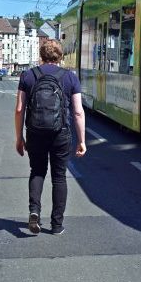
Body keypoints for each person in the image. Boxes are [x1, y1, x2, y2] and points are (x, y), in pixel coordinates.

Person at [15, 39, 86, 235]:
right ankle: (56, 225)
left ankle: (34, 211)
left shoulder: (28, 76)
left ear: (41, 55)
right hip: (61, 133)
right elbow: (78, 112)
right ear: (60, 56)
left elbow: (20, 109)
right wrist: (81, 141)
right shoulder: (70, 77)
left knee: (37, 171)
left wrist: (19, 138)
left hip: (35, 132)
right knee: (59, 177)